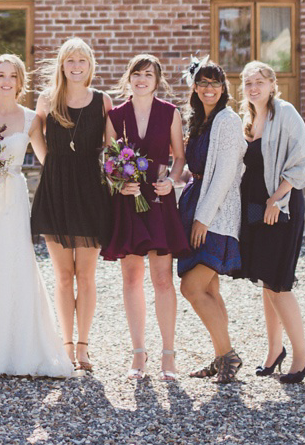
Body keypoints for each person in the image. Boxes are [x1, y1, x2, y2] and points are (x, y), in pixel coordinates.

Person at [0, 54, 74, 377]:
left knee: (18, 260)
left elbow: (47, 158)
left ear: (21, 82)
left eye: (12, 76)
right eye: (1, 75)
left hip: (14, 196)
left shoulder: (29, 119)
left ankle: (21, 350)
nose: (6, 81)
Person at [101, 54, 189, 380]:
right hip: (127, 202)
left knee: (163, 279)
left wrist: (172, 181)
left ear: (157, 80)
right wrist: (118, 183)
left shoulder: (170, 113)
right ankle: (139, 354)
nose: (141, 79)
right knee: (131, 278)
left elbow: (179, 157)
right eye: (136, 74)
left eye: (148, 74)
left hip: (160, 200)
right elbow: (109, 162)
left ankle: (169, 355)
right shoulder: (115, 115)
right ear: (128, 78)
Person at [30, 38, 113, 372]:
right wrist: (51, 162)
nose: (76, 66)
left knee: (87, 274)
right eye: (70, 61)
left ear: (90, 65)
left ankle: (83, 347)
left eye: (82, 60)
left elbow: (112, 145)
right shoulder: (48, 99)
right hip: (56, 188)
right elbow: (35, 133)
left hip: (91, 190)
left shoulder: (103, 101)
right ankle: (66, 344)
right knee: (64, 276)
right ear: (62, 65)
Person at [236, 60, 305, 384]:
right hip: (254, 208)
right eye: (248, 83)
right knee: (266, 282)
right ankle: (274, 352)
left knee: (280, 283)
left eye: (259, 82)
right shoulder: (248, 119)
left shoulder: (286, 115)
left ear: (271, 84)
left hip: (280, 207)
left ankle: (302, 355)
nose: (254, 88)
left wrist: (275, 200)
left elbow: (299, 167)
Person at [175, 57, 246, 384]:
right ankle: (221, 357)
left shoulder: (228, 120)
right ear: (194, 86)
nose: (208, 89)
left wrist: (203, 219)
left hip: (216, 214)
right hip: (195, 205)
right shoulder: (198, 122)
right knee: (210, 289)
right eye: (202, 83)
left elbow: (225, 175)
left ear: (223, 87)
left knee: (192, 286)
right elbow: (194, 169)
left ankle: (228, 356)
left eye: (214, 83)